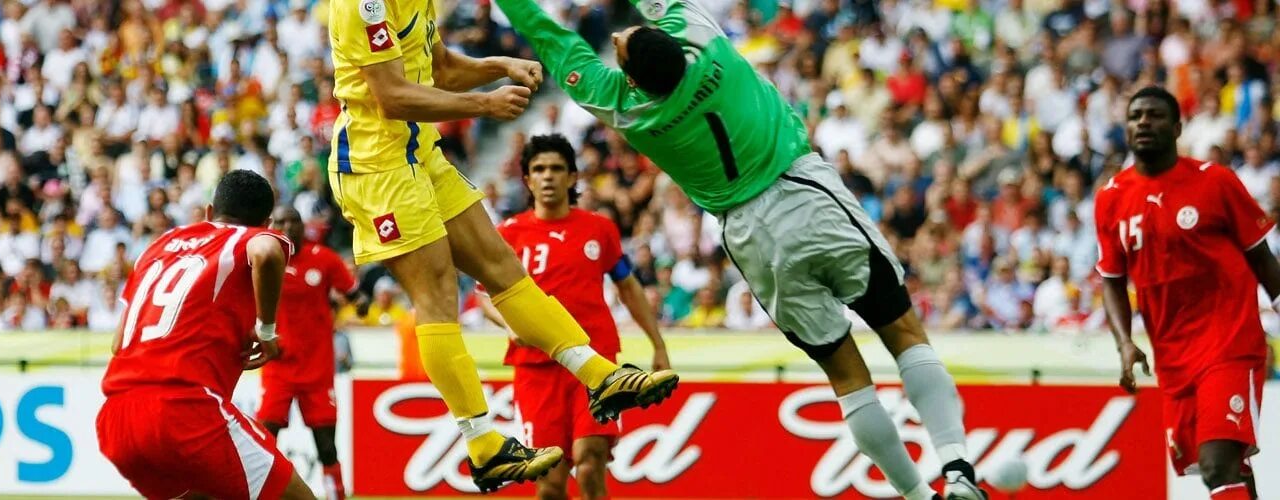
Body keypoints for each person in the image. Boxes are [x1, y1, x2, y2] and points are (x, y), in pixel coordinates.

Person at [490, 0, 984, 498]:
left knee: (846, 375)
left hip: (751, 238)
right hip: (805, 192)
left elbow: (554, 40)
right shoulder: (706, 42)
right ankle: (959, 471)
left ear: (633, 80)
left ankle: (919, 496)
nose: (617, 35)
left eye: (621, 43)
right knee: (901, 330)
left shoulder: (626, 107)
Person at [327, 0, 679, 490]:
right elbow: (391, 97)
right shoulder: (359, 6)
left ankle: (601, 377)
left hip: (418, 153)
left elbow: (442, 68)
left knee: (504, 268)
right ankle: (483, 444)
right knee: (437, 298)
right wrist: (485, 103)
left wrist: (499, 66)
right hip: (375, 168)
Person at [95, 170, 317, 500]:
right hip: (184, 408)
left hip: (117, 417)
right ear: (267, 222)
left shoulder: (158, 246)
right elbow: (267, 253)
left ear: (210, 212)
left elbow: (118, 342)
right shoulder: (248, 238)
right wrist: (266, 329)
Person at [1097, 86, 1272, 500]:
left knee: (1217, 465)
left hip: (1229, 341)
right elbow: (1111, 279)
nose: (1144, 122)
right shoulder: (1111, 199)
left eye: (1155, 115)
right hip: (1173, 356)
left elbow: (1262, 258)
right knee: (1229, 467)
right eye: (1136, 115)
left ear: (1177, 128)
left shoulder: (1215, 183)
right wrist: (1124, 342)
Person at [479, 135, 670, 499]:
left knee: (589, 458)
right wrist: (508, 324)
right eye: (539, 169)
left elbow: (628, 288)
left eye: (556, 168)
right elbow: (483, 295)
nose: (547, 176)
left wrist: (657, 345)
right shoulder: (508, 235)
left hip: (594, 363)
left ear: (572, 178)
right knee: (549, 484)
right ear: (527, 180)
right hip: (535, 368)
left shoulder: (600, 229)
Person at [257, 207, 357, 500]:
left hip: (318, 368)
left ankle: (335, 495)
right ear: (272, 227)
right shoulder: (262, 260)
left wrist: (360, 303)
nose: (288, 227)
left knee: (327, 447)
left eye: (294, 222)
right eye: (281, 222)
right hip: (278, 368)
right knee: (264, 442)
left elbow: (352, 293)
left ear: (303, 227)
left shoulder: (324, 259)